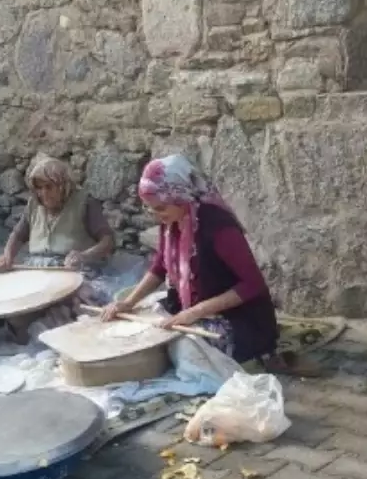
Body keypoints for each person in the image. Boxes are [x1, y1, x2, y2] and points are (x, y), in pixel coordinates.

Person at [102, 155, 279, 364]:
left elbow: (253, 284)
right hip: (195, 308)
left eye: (159, 208)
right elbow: (160, 266)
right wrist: (128, 302)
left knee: (182, 349)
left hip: (240, 320)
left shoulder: (219, 228)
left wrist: (196, 312)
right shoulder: (172, 221)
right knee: (145, 326)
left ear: (181, 197)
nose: (154, 214)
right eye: (148, 208)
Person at [0, 153, 116, 303]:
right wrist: (8, 256)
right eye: (39, 188)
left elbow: (107, 241)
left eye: (49, 187)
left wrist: (84, 256)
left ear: (63, 185)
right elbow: (18, 235)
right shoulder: (34, 205)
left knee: (70, 301)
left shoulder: (84, 203)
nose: (43, 193)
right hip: (36, 271)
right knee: (11, 298)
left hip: (72, 272)